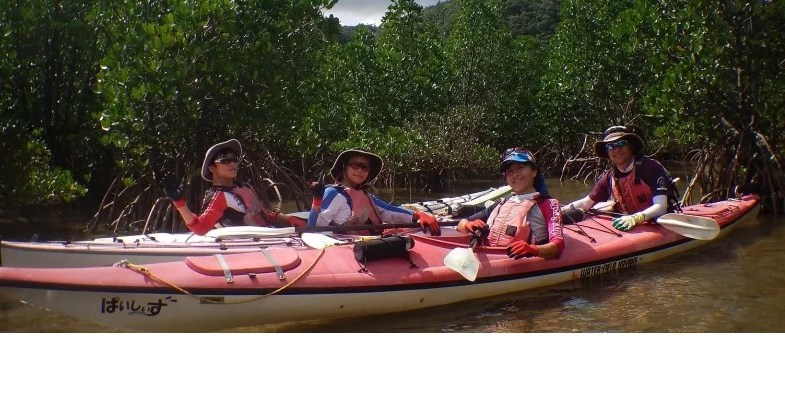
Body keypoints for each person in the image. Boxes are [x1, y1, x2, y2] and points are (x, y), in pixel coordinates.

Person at [166, 139, 293, 235]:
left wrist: (290, 219)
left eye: (234, 159)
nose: (232, 163)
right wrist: (179, 202)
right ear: (212, 168)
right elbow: (200, 228)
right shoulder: (218, 197)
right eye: (224, 160)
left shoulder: (244, 188)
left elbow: (267, 215)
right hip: (248, 246)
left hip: (270, 235)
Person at [455, 147, 564, 259]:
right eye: (510, 171)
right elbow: (460, 225)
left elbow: (558, 245)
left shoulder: (548, 204)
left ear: (534, 171)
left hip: (522, 263)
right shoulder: (500, 204)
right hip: (489, 259)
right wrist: (468, 225)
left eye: (520, 168)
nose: (515, 174)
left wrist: (533, 249)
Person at [561, 125, 674, 231]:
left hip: (657, 224)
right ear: (607, 152)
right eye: (610, 146)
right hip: (627, 224)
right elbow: (586, 203)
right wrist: (558, 211)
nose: (616, 150)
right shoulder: (610, 176)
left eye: (621, 143)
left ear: (631, 146)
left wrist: (636, 218)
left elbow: (661, 206)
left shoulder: (651, 168)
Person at [306, 148, 441, 235]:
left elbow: (389, 210)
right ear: (344, 169)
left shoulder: (367, 197)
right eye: (355, 165)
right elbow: (314, 228)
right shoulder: (333, 193)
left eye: (364, 167)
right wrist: (317, 202)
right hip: (347, 249)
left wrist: (418, 214)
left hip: (369, 243)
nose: (360, 170)